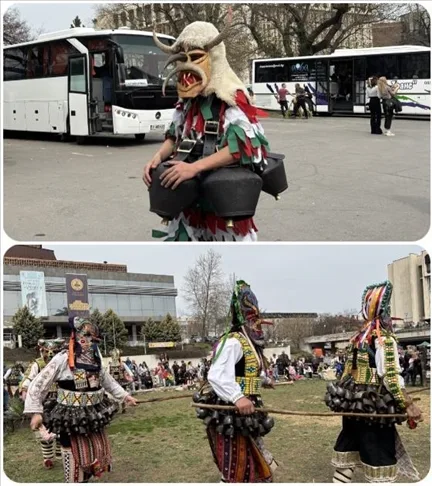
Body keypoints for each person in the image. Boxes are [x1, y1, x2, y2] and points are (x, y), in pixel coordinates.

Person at [144, 22, 272, 241]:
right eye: (182, 59)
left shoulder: (231, 98)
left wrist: (194, 167)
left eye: (195, 57)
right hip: (187, 204)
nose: (187, 66)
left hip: (223, 204)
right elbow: (175, 136)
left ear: (213, 57)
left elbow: (245, 147)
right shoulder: (186, 103)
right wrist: (157, 157)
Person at [325, 281, 422, 483]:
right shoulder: (384, 339)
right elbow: (391, 377)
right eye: (388, 312)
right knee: (378, 454)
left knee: (351, 445)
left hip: (354, 402)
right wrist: (408, 404)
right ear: (384, 313)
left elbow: (350, 373)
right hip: (374, 406)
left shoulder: (358, 339)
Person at [25, 317, 138, 482]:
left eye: (92, 337)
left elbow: (108, 382)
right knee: (72, 456)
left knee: (96, 450)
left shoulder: (95, 359)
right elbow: (39, 383)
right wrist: (35, 412)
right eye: (84, 336)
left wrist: (125, 396)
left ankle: (88, 477)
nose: (88, 340)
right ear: (75, 335)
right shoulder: (62, 358)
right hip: (69, 417)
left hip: (93, 414)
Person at [194, 280, 277, 482]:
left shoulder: (250, 344)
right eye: (252, 318)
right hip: (231, 411)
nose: (257, 323)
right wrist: (237, 397)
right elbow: (216, 375)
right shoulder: (233, 342)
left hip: (249, 410)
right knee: (238, 467)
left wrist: (263, 381)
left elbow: (247, 372)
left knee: (254, 462)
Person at [20, 339, 65, 469]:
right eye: (47, 351)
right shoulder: (37, 364)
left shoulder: (61, 363)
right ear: (42, 351)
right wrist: (25, 389)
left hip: (60, 400)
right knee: (44, 432)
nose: (50, 354)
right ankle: (47, 458)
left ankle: (59, 453)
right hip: (43, 403)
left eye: (54, 351)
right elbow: (28, 379)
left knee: (61, 428)